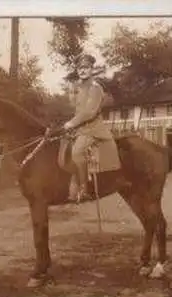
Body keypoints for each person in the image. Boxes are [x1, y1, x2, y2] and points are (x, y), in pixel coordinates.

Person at [62, 54, 115, 202]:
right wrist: (71, 93)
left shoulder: (95, 88)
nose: (82, 70)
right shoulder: (78, 87)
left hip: (93, 128)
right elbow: (75, 108)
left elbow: (89, 112)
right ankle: (72, 183)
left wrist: (71, 123)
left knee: (77, 152)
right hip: (80, 128)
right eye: (80, 68)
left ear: (92, 69)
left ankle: (85, 189)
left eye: (86, 68)